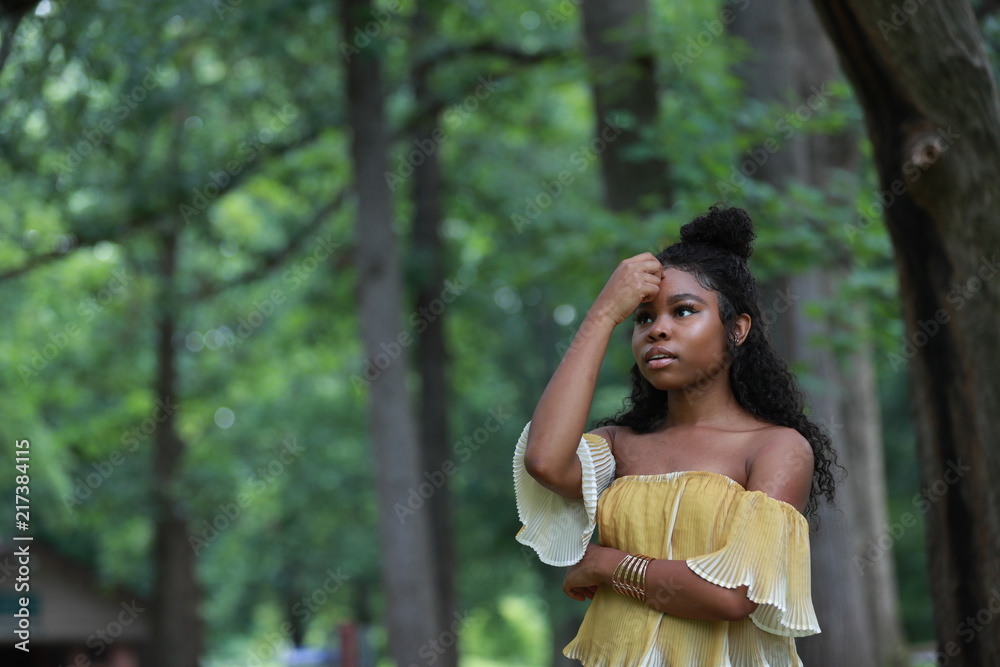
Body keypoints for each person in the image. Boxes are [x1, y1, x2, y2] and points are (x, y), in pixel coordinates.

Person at [512, 205, 840, 666]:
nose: (658, 329)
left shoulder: (775, 448)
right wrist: (604, 313)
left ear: (737, 329)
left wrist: (606, 565)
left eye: (684, 311)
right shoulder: (620, 446)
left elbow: (733, 595)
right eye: (643, 319)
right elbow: (544, 460)